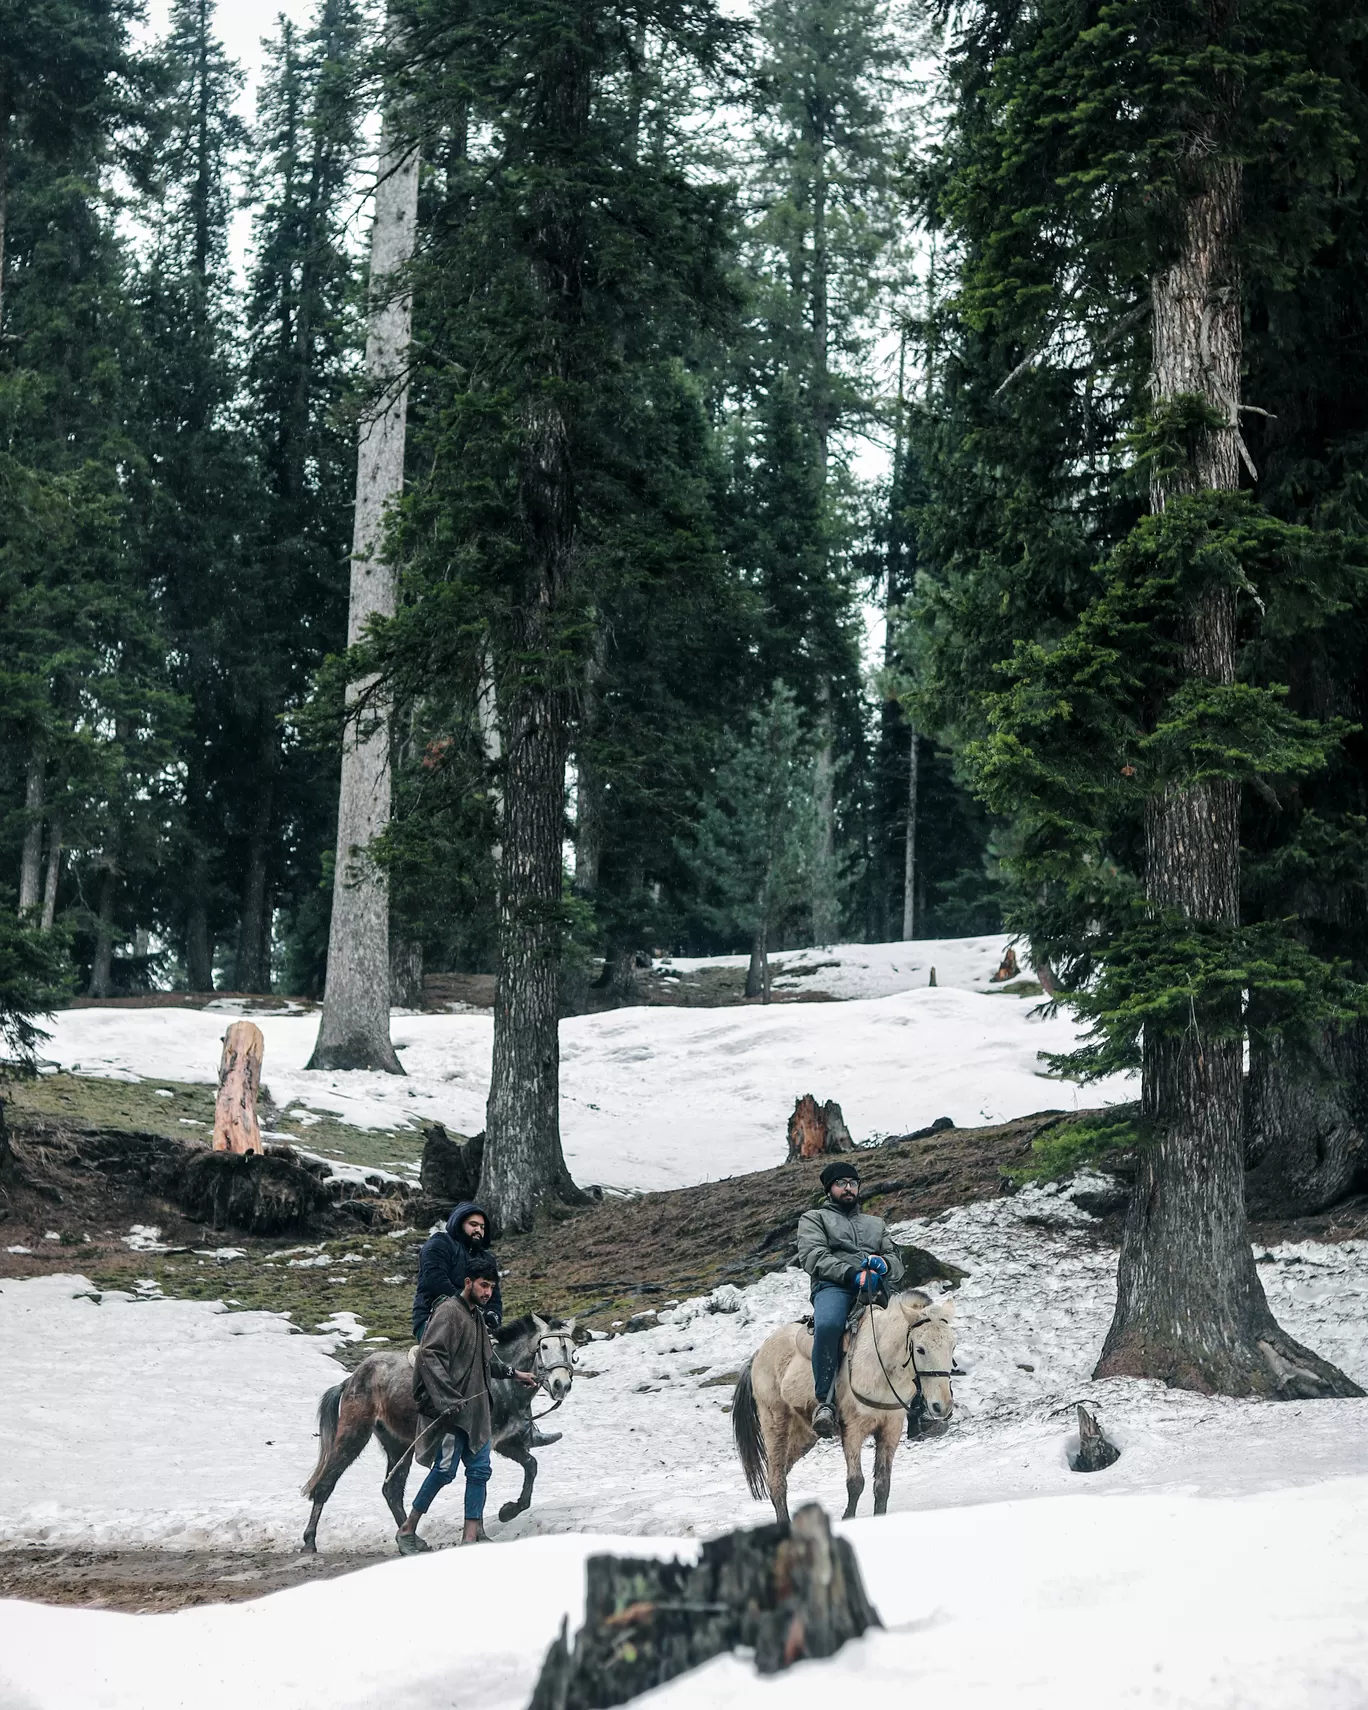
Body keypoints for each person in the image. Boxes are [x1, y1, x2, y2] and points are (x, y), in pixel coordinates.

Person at [396, 1251, 537, 1553]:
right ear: (468, 1282)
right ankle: (407, 1529)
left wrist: (516, 1373)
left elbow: (487, 1363)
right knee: (444, 1471)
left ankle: (471, 1538)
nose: (488, 1293)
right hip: (453, 1414)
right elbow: (429, 1355)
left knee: (479, 1472)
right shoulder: (449, 1312)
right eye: (483, 1285)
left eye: (492, 1288)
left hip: (477, 1414)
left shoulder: (477, 1318)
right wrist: (446, 1397)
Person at [796, 1158, 905, 1439]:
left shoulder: (875, 1224)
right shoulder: (814, 1219)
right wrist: (852, 1275)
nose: (848, 1188)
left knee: (912, 1329)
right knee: (830, 1325)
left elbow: (896, 1260)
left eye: (853, 1183)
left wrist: (885, 1265)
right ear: (829, 1188)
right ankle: (826, 1403)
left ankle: (919, 1406)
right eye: (841, 1183)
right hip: (834, 1288)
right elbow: (813, 1257)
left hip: (875, 1289)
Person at [412, 1200, 503, 1340]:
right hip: (434, 1318)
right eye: (473, 1224)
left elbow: (494, 1296)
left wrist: (493, 1314)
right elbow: (435, 1281)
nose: (478, 1229)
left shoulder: (487, 1259)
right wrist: (468, 1307)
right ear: (459, 1223)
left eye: (482, 1227)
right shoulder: (439, 1244)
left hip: (478, 1324)